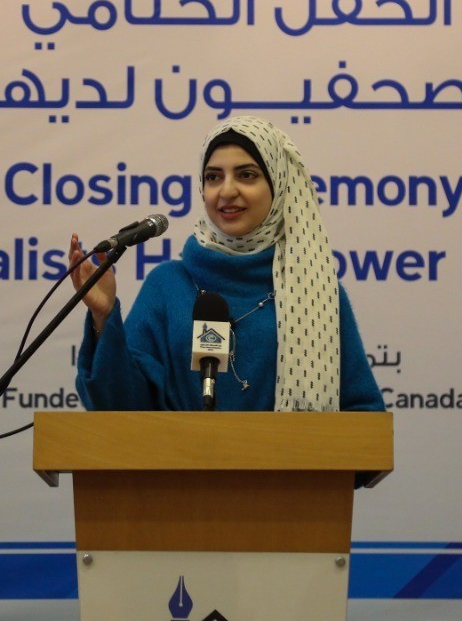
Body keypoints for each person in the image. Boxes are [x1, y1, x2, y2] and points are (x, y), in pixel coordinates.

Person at [68, 116, 384, 413]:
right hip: (177, 456)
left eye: (246, 175)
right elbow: (118, 406)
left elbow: (362, 413)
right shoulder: (167, 285)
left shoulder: (317, 291)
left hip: (290, 457)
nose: (227, 191)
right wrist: (103, 316)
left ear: (278, 186)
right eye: (213, 177)